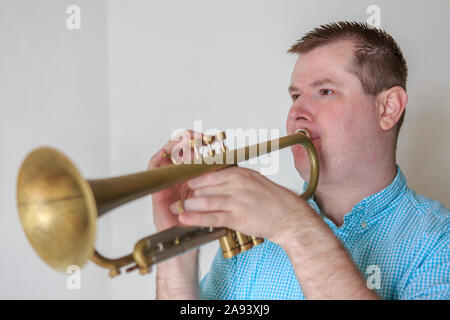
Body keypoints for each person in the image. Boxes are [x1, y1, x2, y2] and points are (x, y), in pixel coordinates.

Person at [147, 21, 449, 300]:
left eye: (325, 91)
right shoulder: (252, 232)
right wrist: (176, 251)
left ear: (388, 108)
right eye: (295, 96)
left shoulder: (438, 241)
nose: (296, 112)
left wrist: (295, 225)